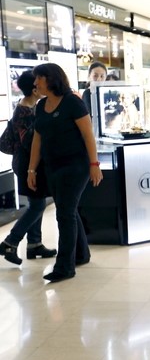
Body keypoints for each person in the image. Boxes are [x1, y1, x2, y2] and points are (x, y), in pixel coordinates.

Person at [28, 63, 103, 282]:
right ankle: (81, 253)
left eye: (38, 78)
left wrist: (94, 165)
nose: (35, 83)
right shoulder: (41, 106)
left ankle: (65, 266)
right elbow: (37, 139)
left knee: (65, 213)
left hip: (75, 166)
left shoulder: (72, 102)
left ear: (50, 79)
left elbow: (88, 135)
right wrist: (32, 168)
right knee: (67, 209)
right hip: (53, 166)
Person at [0, 71, 57, 266]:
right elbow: (29, 142)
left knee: (37, 202)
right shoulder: (25, 111)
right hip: (26, 164)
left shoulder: (31, 107)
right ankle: (10, 242)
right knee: (37, 205)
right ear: (34, 88)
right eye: (39, 82)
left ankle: (34, 245)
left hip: (30, 163)